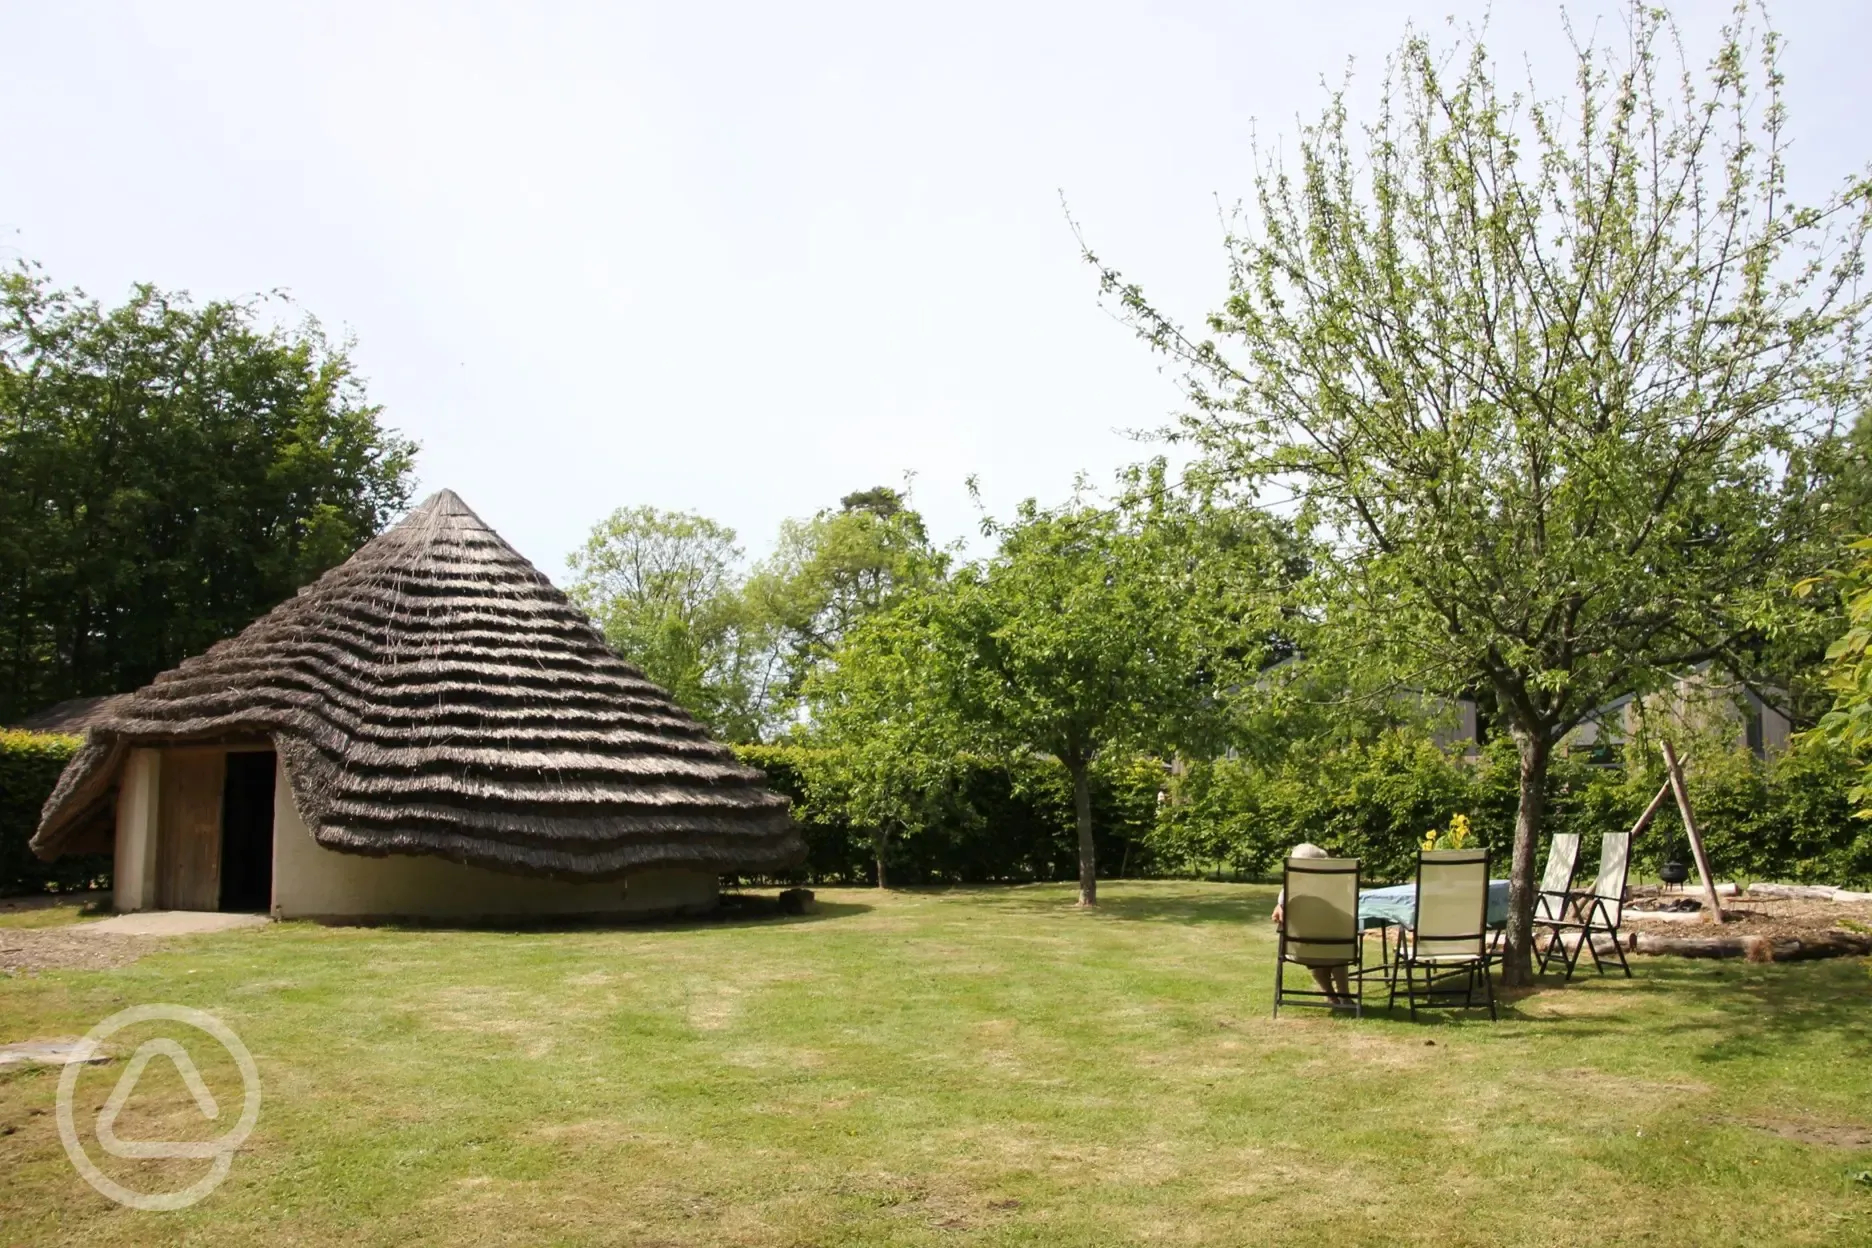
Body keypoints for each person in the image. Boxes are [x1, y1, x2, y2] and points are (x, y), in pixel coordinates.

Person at [1271, 842, 1354, 1006]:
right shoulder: (1338, 884)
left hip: (1301, 950)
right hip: (1339, 948)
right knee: (1337, 949)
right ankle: (1344, 996)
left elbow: (1277, 916)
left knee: (1316, 948)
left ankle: (1331, 996)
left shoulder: (1289, 889)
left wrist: (1280, 907)